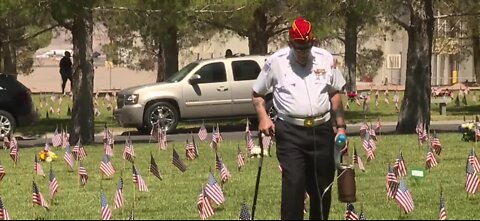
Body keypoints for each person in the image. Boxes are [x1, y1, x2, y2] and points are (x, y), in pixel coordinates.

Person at [251, 17, 347, 220]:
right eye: (298, 48)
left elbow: (335, 94)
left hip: (321, 131)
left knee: (322, 188)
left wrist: (341, 128)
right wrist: (263, 118)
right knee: (294, 185)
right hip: (290, 132)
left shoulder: (325, 58)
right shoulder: (276, 62)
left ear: (313, 42)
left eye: (307, 47)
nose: (303, 52)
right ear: (290, 43)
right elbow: (257, 93)